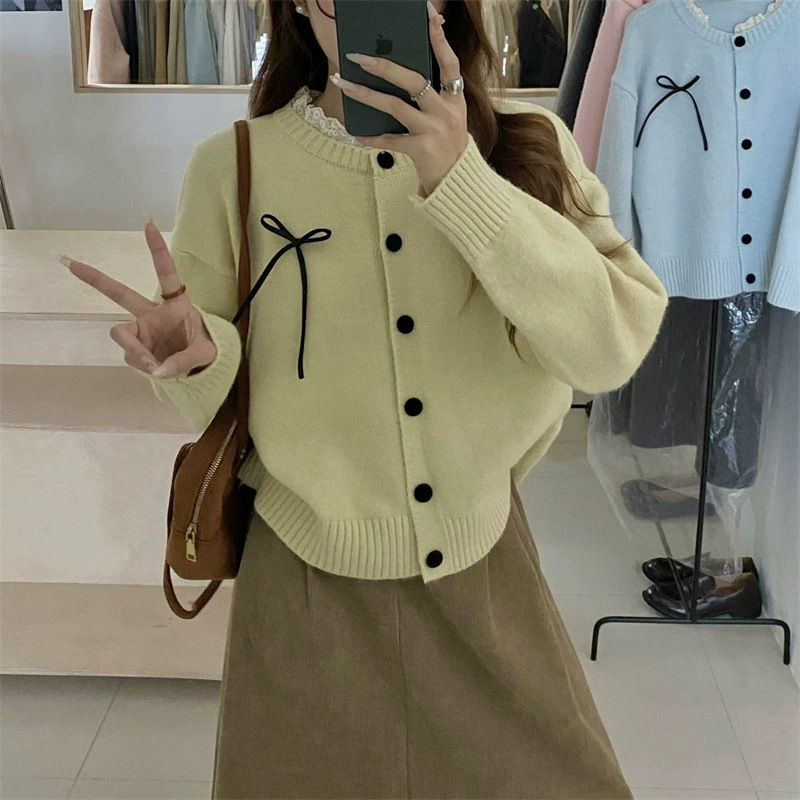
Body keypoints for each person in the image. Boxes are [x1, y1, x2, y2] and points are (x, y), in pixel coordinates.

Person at [61, 0, 669, 796]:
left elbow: (612, 346)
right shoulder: (232, 165)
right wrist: (201, 359)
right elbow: (219, 396)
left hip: (484, 570)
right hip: (301, 582)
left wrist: (461, 180)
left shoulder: (531, 146)